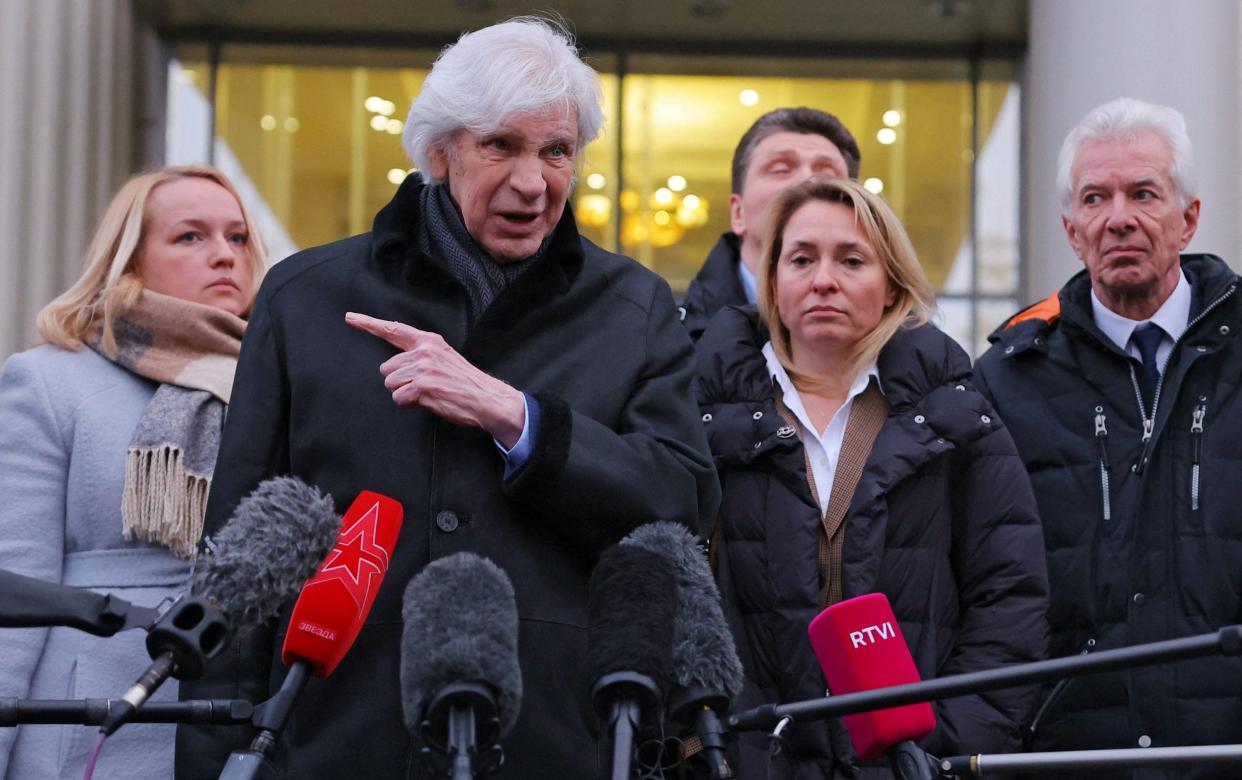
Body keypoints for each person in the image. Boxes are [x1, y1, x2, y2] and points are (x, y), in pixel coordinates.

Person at [176, 17, 719, 780]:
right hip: (340, 740)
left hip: (553, 742)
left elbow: (680, 499)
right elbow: (237, 562)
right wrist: (212, 761)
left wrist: (516, 417)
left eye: (556, 151)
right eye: (501, 145)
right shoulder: (305, 298)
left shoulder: (634, 306)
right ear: (439, 151)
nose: (533, 183)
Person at [696, 177, 1048, 777]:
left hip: (911, 762)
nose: (824, 279)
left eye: (852, 260)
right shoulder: (703, 417)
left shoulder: (957, 419)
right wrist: (715, 749)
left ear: (891, 287)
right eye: (801, 259)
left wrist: (938, 744)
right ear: (773, 283)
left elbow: (1009, 600)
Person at [974, 97, 1242, 776]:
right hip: (1068, 753)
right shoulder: (1006, 380)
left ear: (1189, 218)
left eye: (1143, 193)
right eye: (1095, 198)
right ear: (1071, 229)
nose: (1118, 217)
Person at [0, 165, 265, 779]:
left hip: (236, 712)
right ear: (131, 260)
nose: (224, 255)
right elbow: (15, 582)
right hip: (92, 711)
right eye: (190, 237)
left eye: (238, 237)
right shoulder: (49, 381)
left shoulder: (276, 380)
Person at [680, 107, 861, 341]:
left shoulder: (909, 350)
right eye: (781, 169)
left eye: (827, 173)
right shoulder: (671, 344)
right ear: (738, 213)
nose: (807, 182)